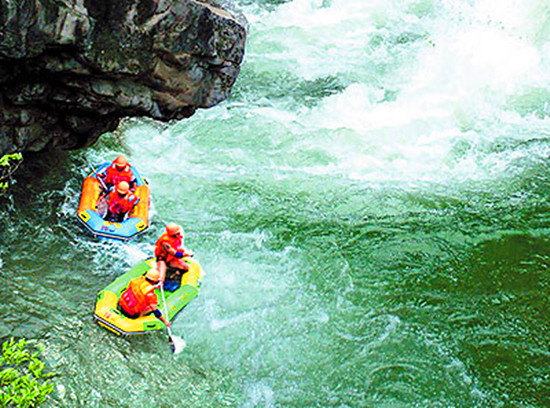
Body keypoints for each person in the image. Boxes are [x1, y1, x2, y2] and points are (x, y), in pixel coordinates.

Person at [155, 223, 194, 290]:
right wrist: (187, 254)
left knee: (185, 267)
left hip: (171, 258)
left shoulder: (176, 236)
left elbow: (177, 248)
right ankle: (158, 285)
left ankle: (173, 275)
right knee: (161, 277)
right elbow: (175, 253)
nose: (179, 234)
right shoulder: (165, 242)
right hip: (163, 259)